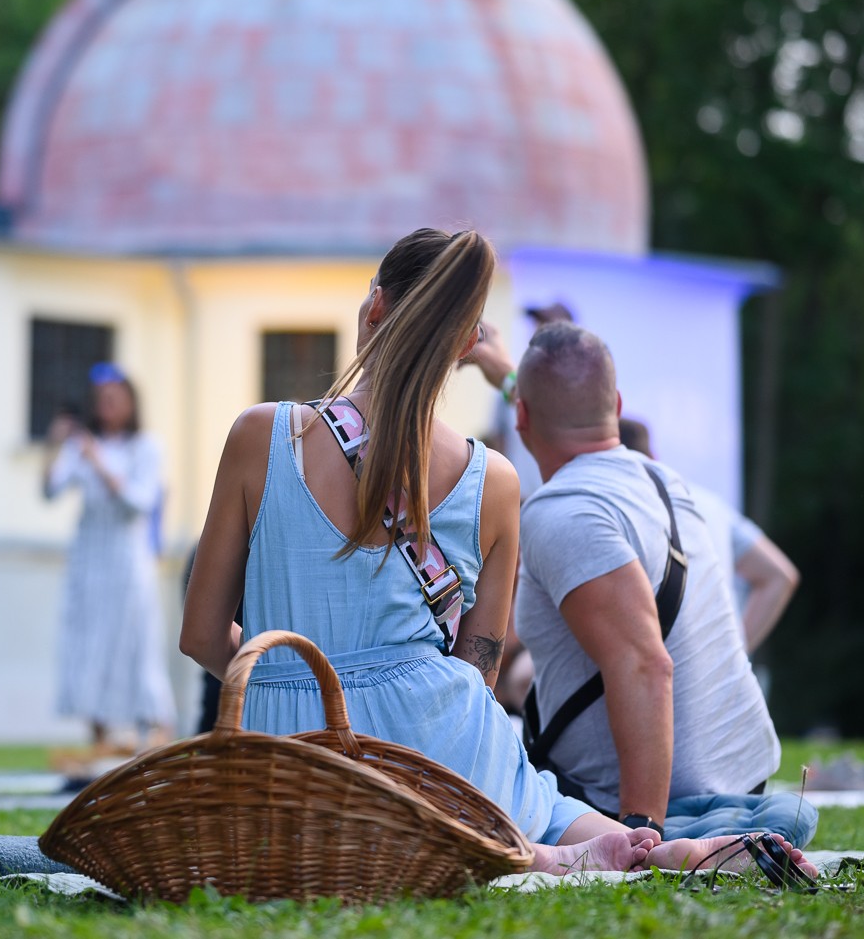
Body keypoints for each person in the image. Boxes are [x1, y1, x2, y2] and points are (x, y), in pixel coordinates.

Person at [180, 228, 815, 878]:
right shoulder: (495, 480)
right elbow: (477, 672)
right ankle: (658, 849)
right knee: (549, 808)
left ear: (375, 307)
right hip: (446, 746)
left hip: (297, 748)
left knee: (383, 831)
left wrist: (295, 685)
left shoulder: (264, 435)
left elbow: (201, 634)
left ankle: (541, 852)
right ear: (464, 347)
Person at [488, 320, 816, 845]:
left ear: (522, 415)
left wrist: (641, 832)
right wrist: (505, 373)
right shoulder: (663, 480)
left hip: (650, 798)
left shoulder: (562, 512)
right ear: (616, 405)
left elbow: (644, 664)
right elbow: (556, 403)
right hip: (742, 779)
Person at [43, 363, 176, 752]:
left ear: (131, 402)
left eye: (115, 398)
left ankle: (155, 724)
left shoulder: (146, 447)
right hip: (89, 557)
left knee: (136, 639)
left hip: (127, 556)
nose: (108, 405)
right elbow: (50, 490)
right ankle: (99, 733)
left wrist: (98, 461)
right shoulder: (80, 446)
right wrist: (54, 446)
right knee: (90, 639)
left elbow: (140, 502)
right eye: (102, 399)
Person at [617, 418, 800, 653]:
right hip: (721, 669)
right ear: (653, 455)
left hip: (666, 666)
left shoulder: (621, 508)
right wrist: (735, 653)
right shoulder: (707, 502)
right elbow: (779, 575)